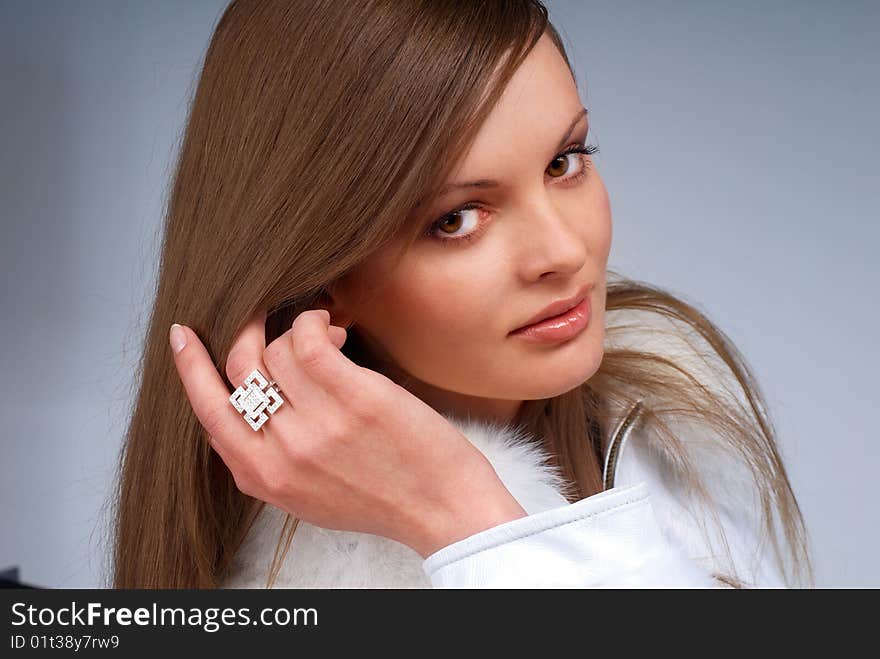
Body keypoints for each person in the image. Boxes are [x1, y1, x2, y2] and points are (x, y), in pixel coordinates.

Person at [111, 0, 814, 588]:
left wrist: (467, 517)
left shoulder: (669, 427)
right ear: (324, 277)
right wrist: (463, 518)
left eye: (565, 162)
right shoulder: (291, 573)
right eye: (457, 218)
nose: (564, 253)